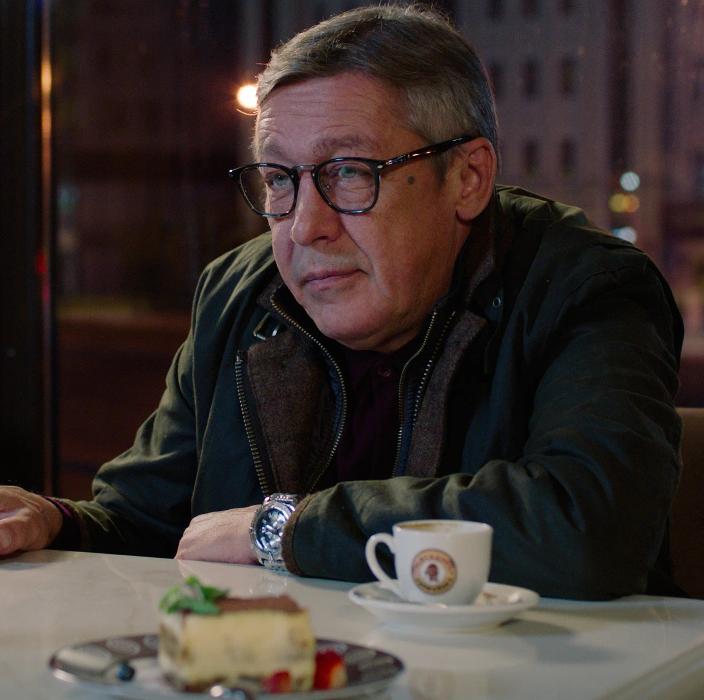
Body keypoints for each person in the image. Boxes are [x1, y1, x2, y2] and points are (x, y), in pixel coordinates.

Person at [0, 4, 683, 600]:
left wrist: (286, 532)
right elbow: (149, 521)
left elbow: (589, 525)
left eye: (350, 172)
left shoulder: (584, 287)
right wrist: (51, 520)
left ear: (468, 178)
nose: (305, 227)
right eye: (280, 179)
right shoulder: (237, 292)